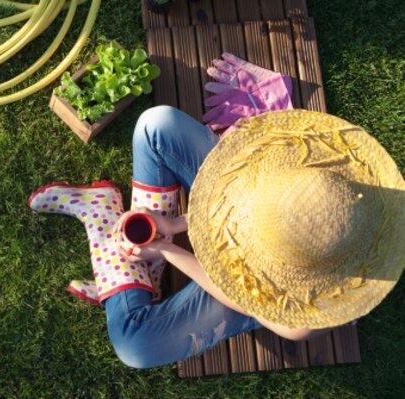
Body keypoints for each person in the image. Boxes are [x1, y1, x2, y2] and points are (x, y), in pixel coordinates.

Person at [29, 106, 404, 370]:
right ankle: (130, 271)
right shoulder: (341, 188)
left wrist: (166, 248)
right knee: (155, 124)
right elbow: (261, 201)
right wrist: (176, 224)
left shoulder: (305, 311)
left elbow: (237, 294)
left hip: (256, 291)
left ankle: (106, 228)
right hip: (246, 194)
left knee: (135, 346)